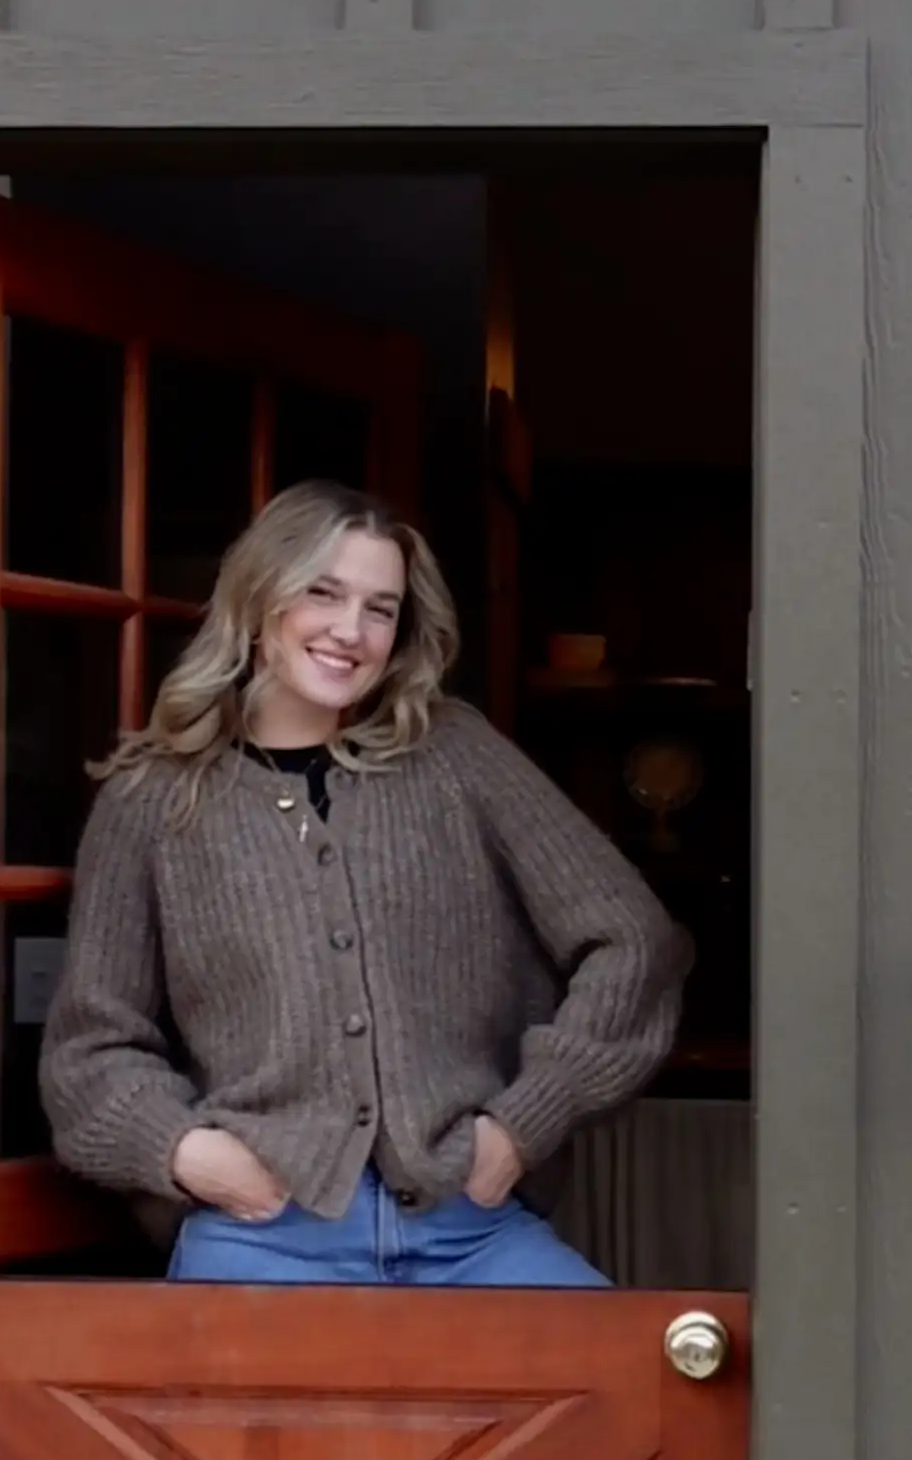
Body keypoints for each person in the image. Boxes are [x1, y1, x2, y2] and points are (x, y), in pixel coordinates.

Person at [40, 478, 687, 1286]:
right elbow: (90, 1047)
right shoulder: (154, 799)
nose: (351, 631)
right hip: (263, 1234)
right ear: (260, 598)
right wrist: (190, 1154)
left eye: (381, 609)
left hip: (469, 1228)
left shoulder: (455, 755)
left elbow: (633, 940)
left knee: (626, 1368)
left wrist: (522, 1124)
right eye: (323, 592)